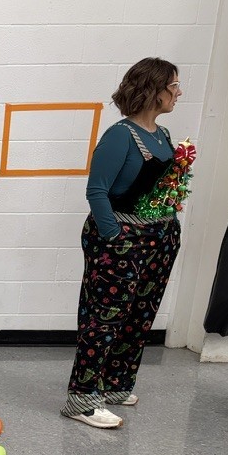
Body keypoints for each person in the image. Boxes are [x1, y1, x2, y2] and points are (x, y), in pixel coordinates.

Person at [62, 57, 185, 428]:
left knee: (138, 315)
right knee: (105, 317)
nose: (178, 93)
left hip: (159, 238)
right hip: (122, 238)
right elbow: (96, 191)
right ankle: (82, 398)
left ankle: (114, 384)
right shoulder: (120, 135)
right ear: (154, 90)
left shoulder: (162, 135)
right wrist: (115, 237)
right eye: (173, 85)